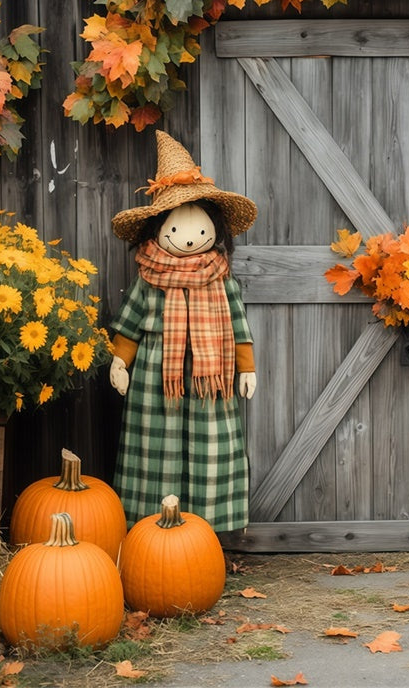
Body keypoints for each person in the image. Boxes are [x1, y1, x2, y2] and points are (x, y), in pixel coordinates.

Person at [108, 131, 258, 529]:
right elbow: (131, 322)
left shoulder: (220, 276)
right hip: (158, 374)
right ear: (158, 229)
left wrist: (247, 367)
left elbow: (237, 324)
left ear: (215, 228)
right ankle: (151, 524)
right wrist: (120, 361)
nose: (190, 239)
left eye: (199, 229)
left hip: (213, 376)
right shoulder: (149, 275)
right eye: (176, 229)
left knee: (211, 445)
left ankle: (207, 530)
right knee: (156, 445)